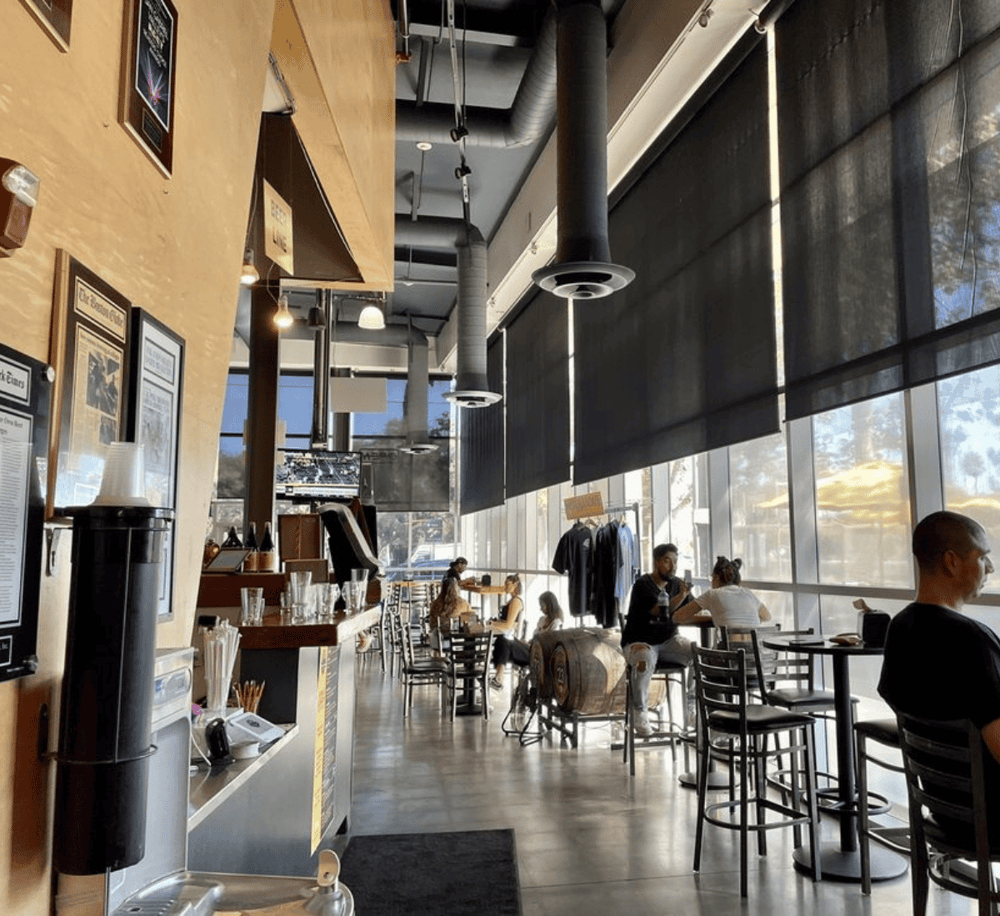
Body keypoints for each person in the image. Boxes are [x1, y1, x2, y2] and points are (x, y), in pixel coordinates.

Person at [878, 510, 999, 827]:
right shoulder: (972, 639)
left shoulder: (900, 628)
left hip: (943, 810)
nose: (990, 567)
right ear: (952, 562)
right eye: (982, 557)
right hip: (989, 819)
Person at [621, 544, 694, 736]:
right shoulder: (642, 585)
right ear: (656, 562)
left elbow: (693, 607)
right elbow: (659, 610)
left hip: (668, 642)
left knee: (698, 653)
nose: (673, 566)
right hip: (639, 642)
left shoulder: (677, 584)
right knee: (644, 661)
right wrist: (682, 596)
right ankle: (640, 713)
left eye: (675, 561)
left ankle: (692, 707)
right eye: (667, 561)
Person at [673, 556, 770, 636]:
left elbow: (677, 617)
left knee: (696, 649)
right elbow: (767, 617)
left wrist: (712, 618)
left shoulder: (712, 594)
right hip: (755, 651)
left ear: (716, 578)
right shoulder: (748, 593)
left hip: (728, 652)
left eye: (712, 578)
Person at [486, 575, 524, 689]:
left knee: (502, 641)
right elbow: (505, 622)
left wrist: (490, 624)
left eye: (508, 584)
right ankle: (497, 678)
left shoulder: (516, 602)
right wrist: (494, 622)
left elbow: (508, 625)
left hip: (512, 639)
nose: (505, 586)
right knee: (500, 641)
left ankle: (498, 678)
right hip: (506, 636)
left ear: (515, 585)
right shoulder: (511, 600)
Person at [428, 578, 476, 643]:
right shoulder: (463, 603)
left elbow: (431, 624)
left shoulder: (435, 604)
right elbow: (472, 621)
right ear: (456, 588)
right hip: (457, 640)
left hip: (437, 640)